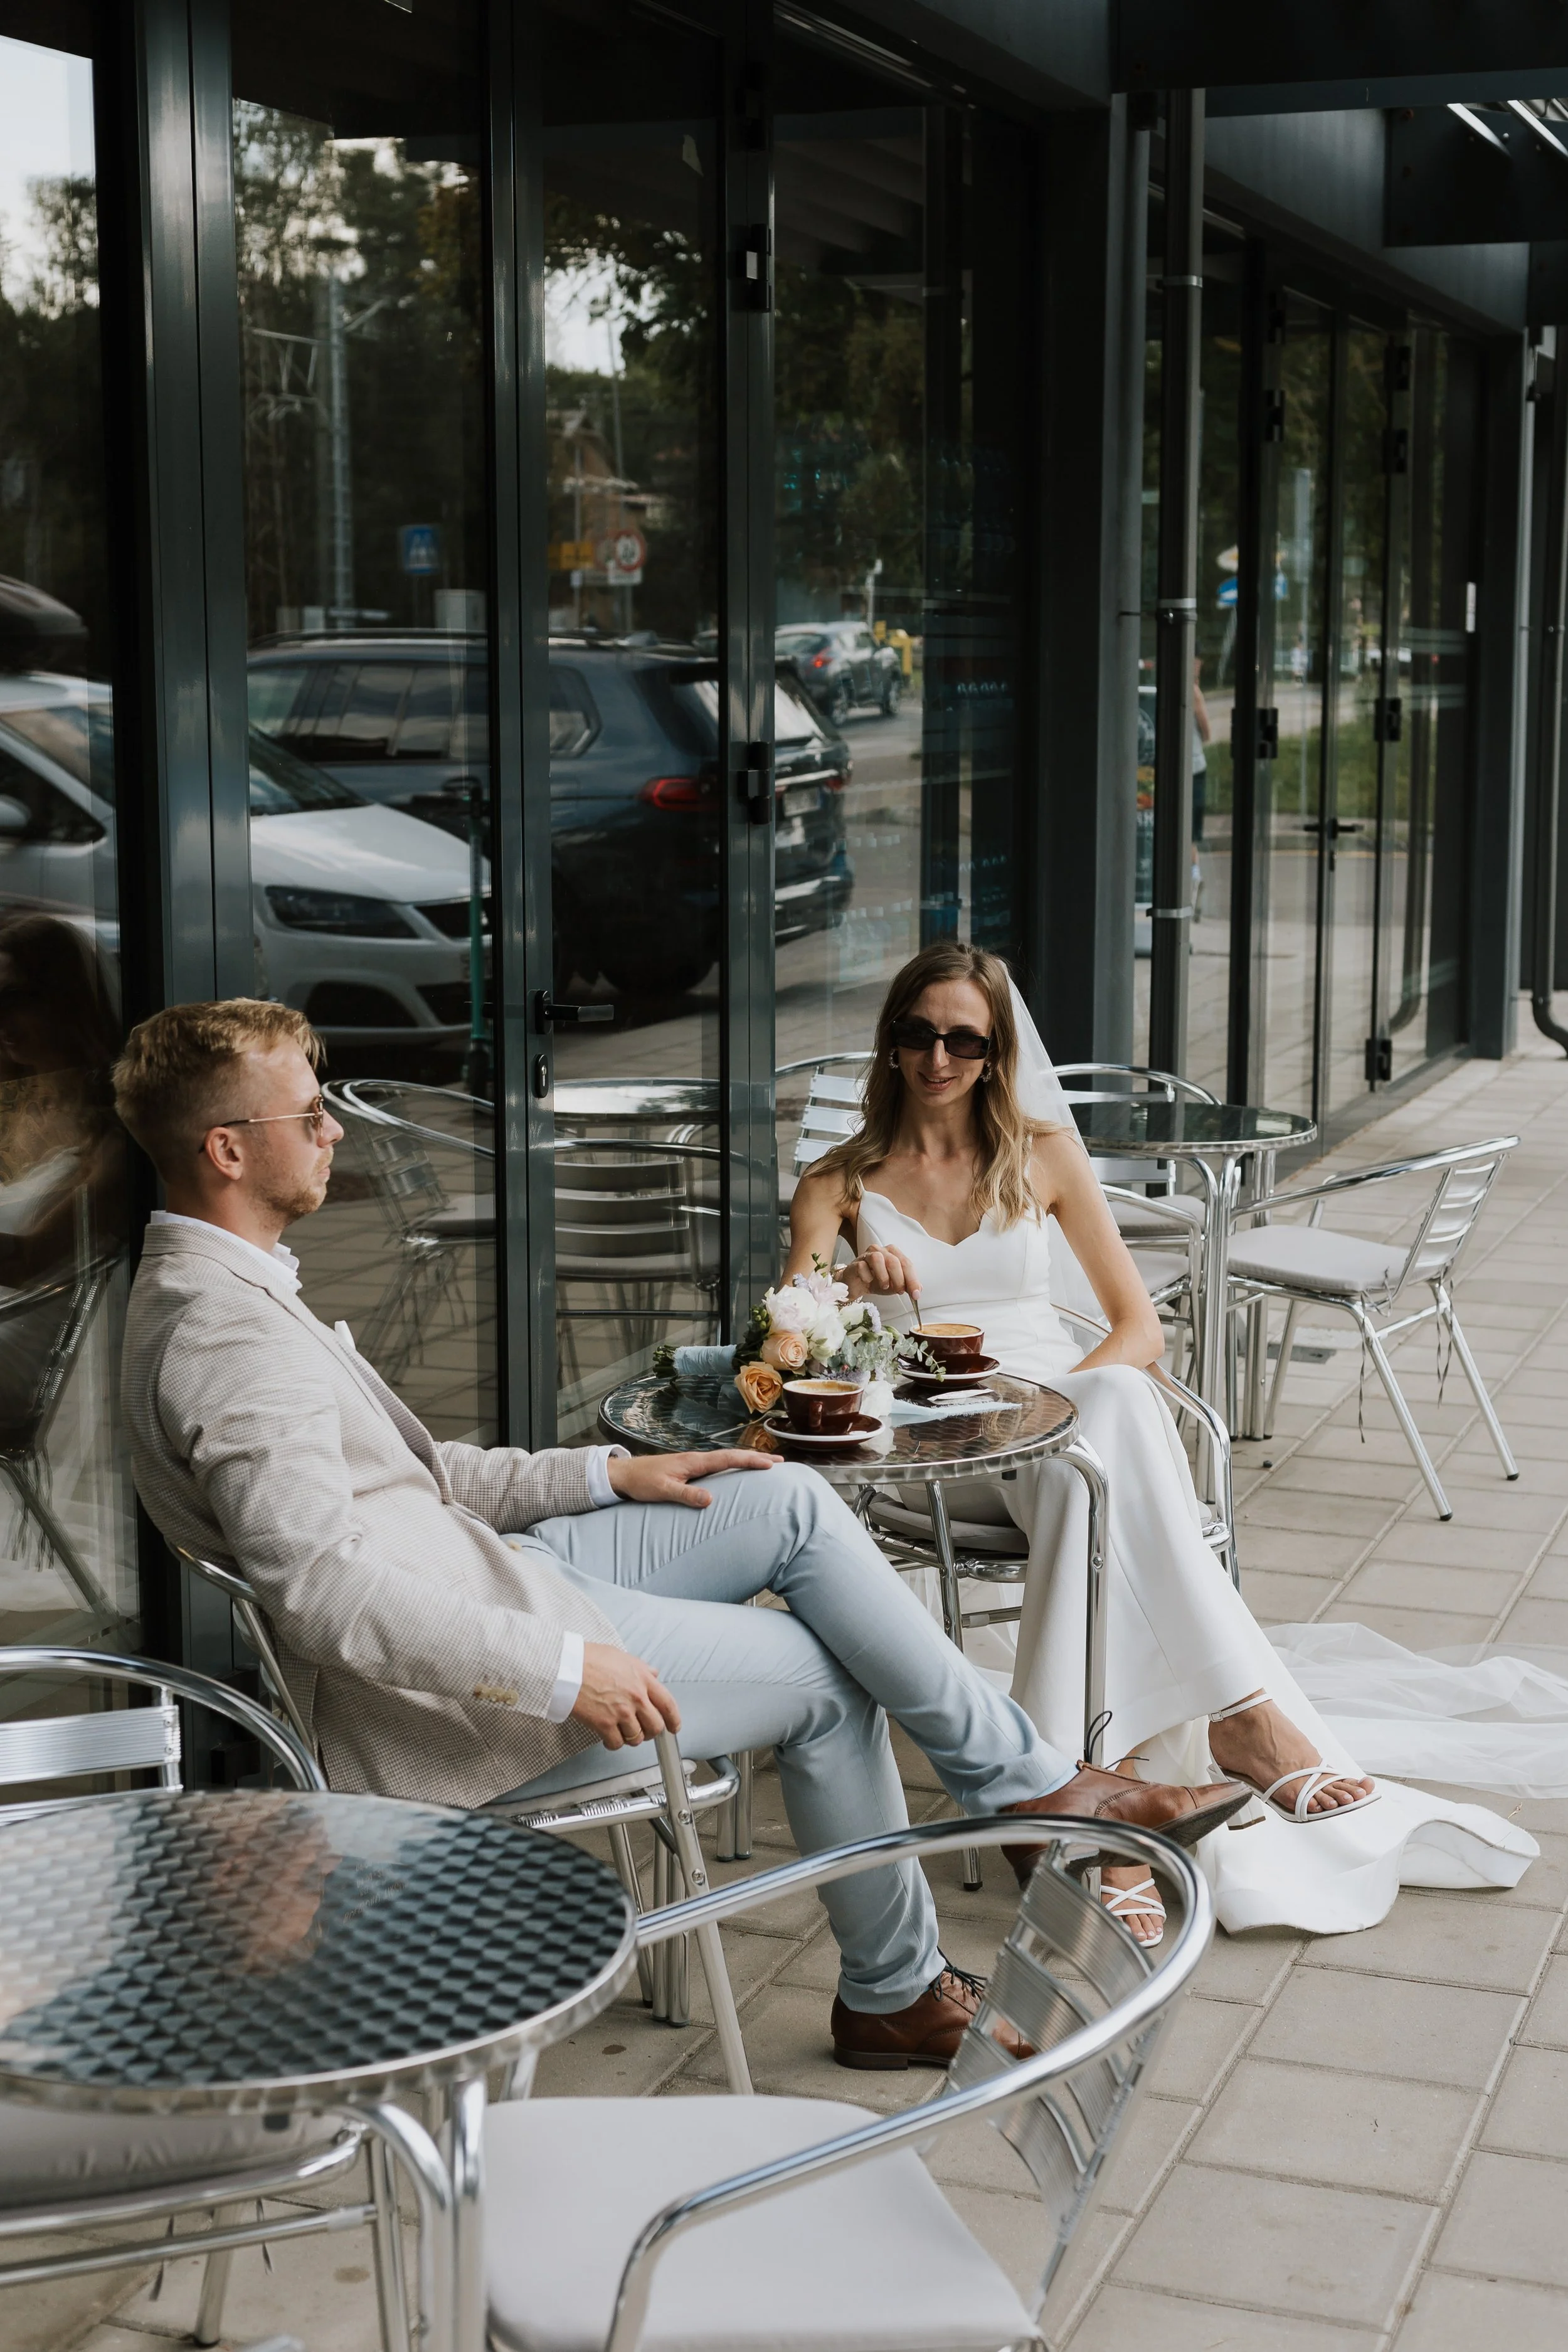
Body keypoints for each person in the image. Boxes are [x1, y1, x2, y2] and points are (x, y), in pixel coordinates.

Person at [113, 998, 1248, 2070]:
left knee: (786, 1498)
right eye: (307, 1115)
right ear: (226, 1150)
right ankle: (900, 1984)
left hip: (493, 1569)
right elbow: (326, 1594)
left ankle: (1034, 1787)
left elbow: (418, 1476)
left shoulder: (240, 1284)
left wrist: (610, 1469)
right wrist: (560, 1670)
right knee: (824, 1677)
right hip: (458, 1690)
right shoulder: (226, 1335)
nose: (328, 1131)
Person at [787, 940, 1537, 1941]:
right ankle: (1239, 1713)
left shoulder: (1044, 1156)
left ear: (996, 1049)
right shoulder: (838, 1183)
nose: (938, 1057)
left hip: (1060, 1425)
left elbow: (1138, 1328)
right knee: (1116, 1427)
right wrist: (851, 1287)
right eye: (918, 1033)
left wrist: (1062, 1400)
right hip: (937, 1454)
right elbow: (788, 1344)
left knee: (1102, 1432)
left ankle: (1088, 1804)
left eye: (964, 1037)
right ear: (891, 1043)